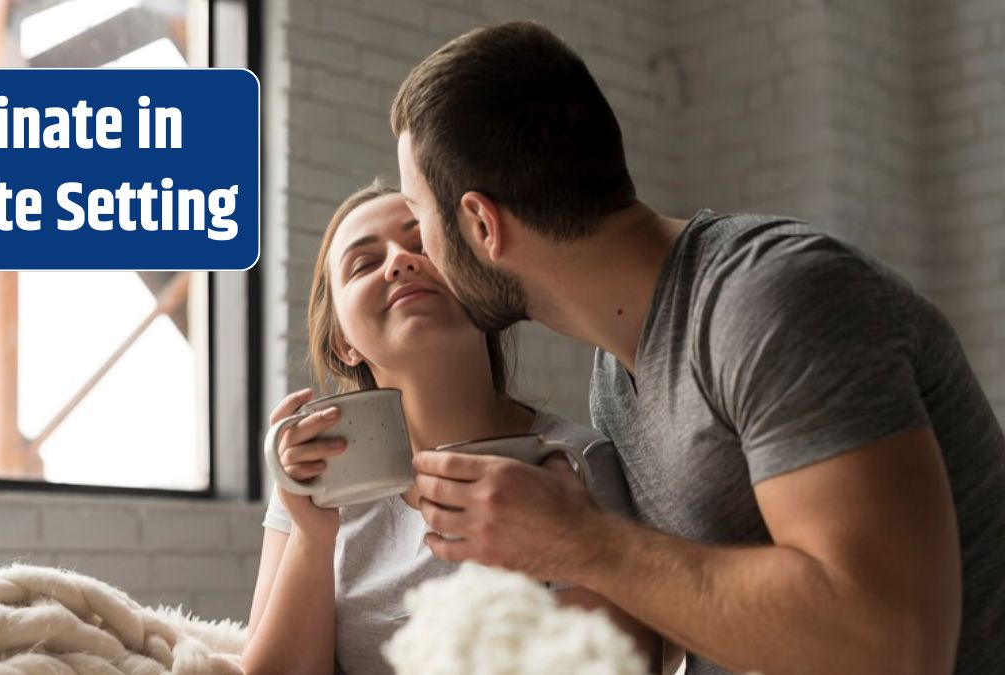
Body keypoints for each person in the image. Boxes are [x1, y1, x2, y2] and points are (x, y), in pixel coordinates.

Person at [393, 21, 1005, 675]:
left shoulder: (770, 299)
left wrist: (581, 542)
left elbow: (893, 646)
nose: (417, 254)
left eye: (416, 216)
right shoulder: (617, 374)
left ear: (483, 224)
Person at [239, 181, 649, 675]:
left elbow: (621, 667)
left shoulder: (574, 462)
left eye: (423, 245)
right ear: (343, 342)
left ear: (479, 285)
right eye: (365, 264)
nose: (400, 262)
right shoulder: (313, 479)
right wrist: (311, 535)